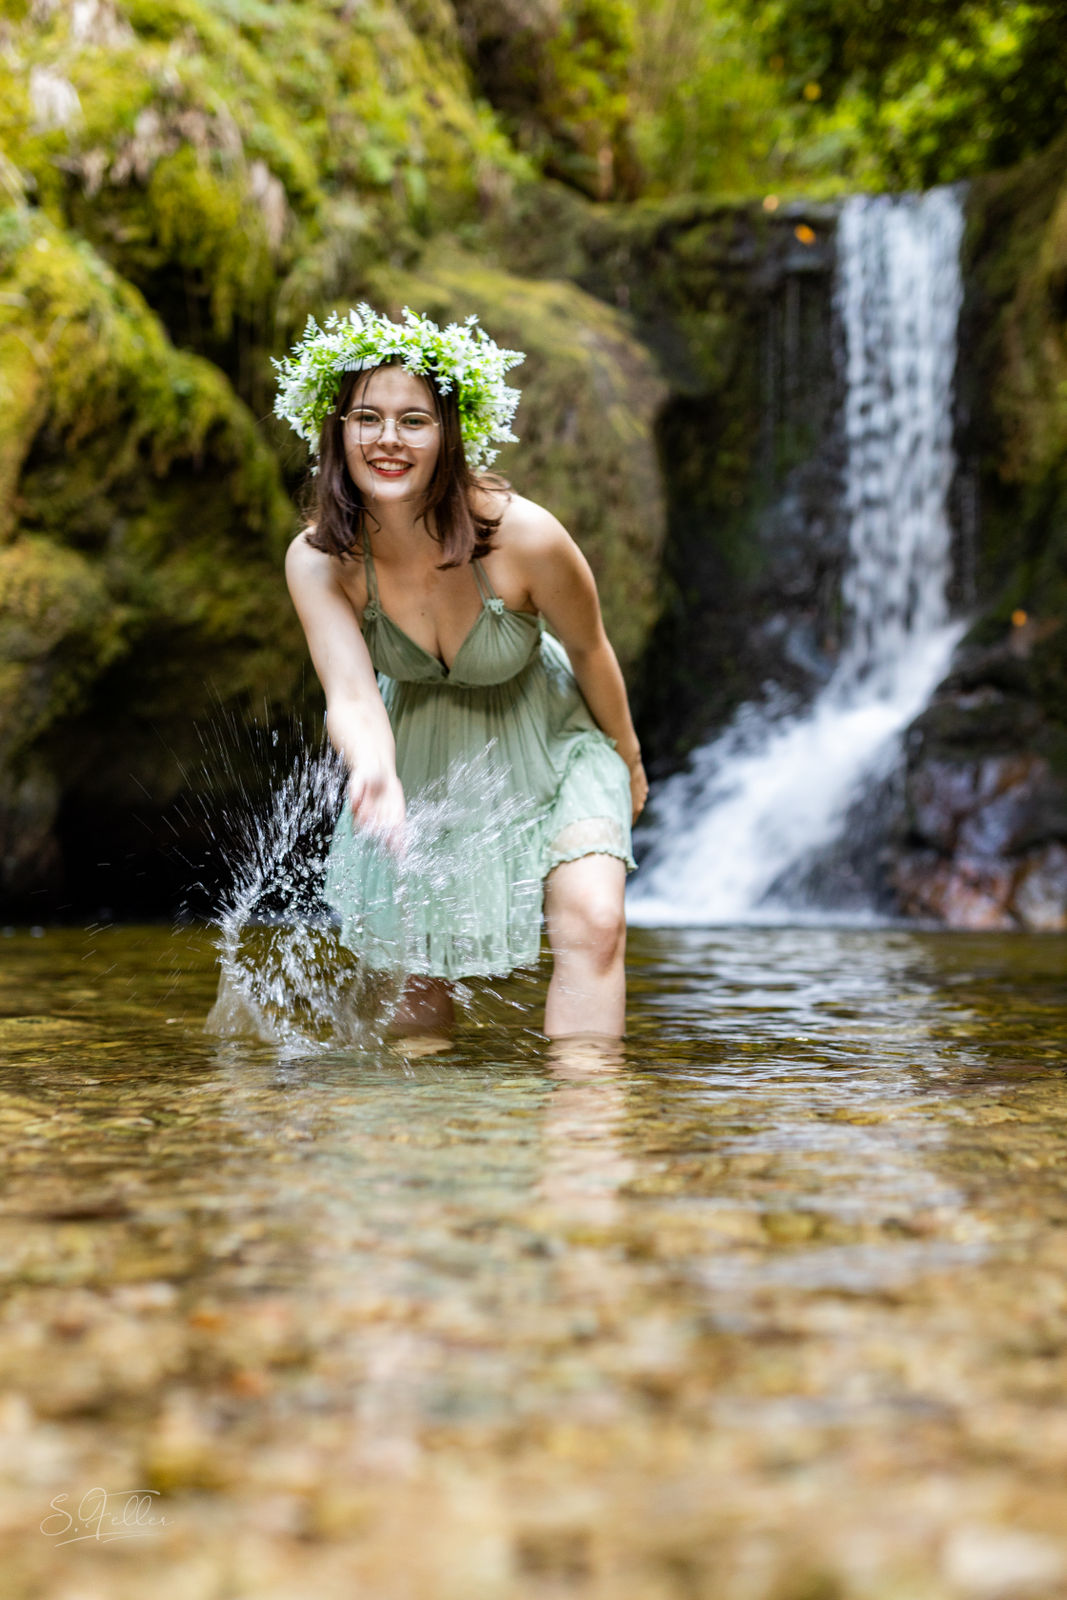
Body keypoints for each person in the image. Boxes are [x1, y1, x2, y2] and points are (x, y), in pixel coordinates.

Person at [275, 306, 648, 1040]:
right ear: (336, 429)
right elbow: (349, 693)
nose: (387, 440)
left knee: (595, 922)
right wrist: (374, 771)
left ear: (448, 433)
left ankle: (586, 1128)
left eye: (413, 420)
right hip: (414, 750)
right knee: (415, 977)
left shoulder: (524, 537)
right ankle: (433, 1134)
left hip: (550, 736)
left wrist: (628, 757)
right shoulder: (318, 560)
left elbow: (590, 650)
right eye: (366, 418)